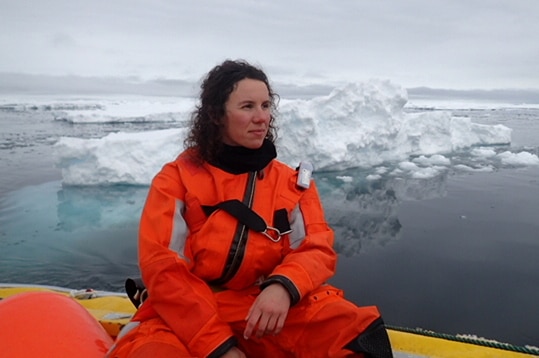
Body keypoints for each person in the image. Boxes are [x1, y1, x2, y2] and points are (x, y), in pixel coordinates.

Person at [107, 60, 393, 358]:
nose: (262, 118)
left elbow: (316, 248)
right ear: (217, 115)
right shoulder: (175, 180)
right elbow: (164, 269)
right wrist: (218, 346)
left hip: (262, 305)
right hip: (188, 311)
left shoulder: (293, 184)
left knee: (357, 335)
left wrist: (284, 287)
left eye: (266, 105)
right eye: (247, 107)